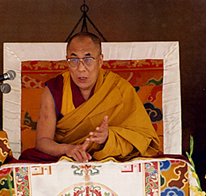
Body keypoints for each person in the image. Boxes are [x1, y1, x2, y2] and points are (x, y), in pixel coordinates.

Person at [20, 32, 160, 163]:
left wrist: (108, 137)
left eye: (88, 59)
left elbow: (143, 137)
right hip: (67, 160)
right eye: (73, 60)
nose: (81, 68)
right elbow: (42, 141)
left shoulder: (119, 88)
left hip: (109, 158)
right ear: (67, 60)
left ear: (100, 60)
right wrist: (68, 149)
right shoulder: (55, 89)